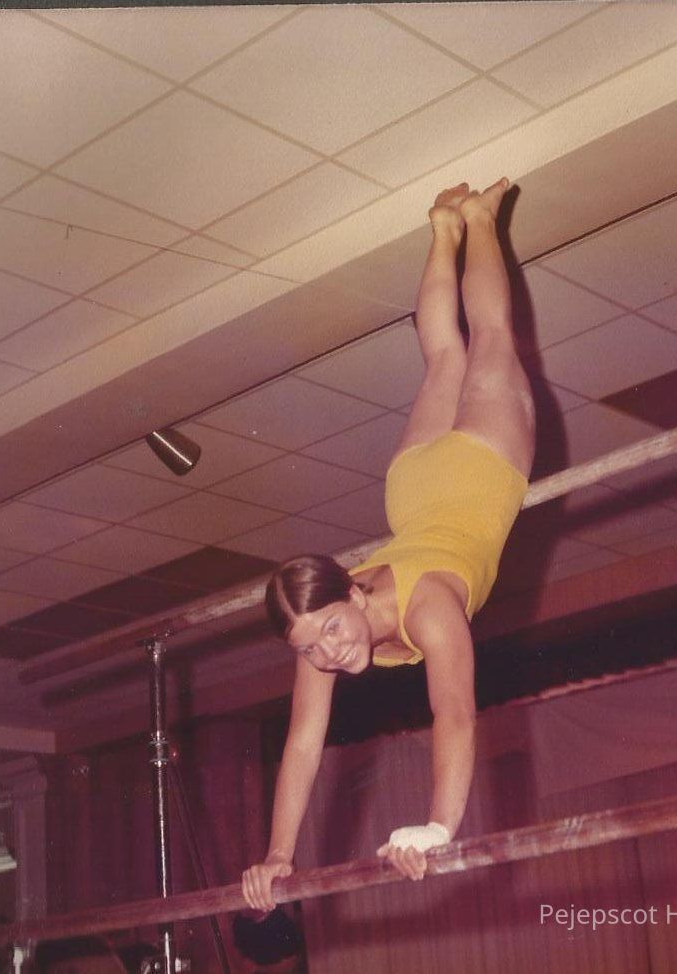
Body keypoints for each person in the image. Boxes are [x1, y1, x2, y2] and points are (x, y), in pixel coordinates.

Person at [242, 179, 535, 912]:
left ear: (353, 587)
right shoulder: (319, 629)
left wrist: (438, 827)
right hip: (411, 490)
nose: (327, 655)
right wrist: (277, 855)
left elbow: (456, 714)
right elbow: (302, 744)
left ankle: (477, 218)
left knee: (487, 337)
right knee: (442, 358)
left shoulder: (430, 607)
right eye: (312, 649)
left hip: (475, 473)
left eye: (331, 633)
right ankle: (441, 228)